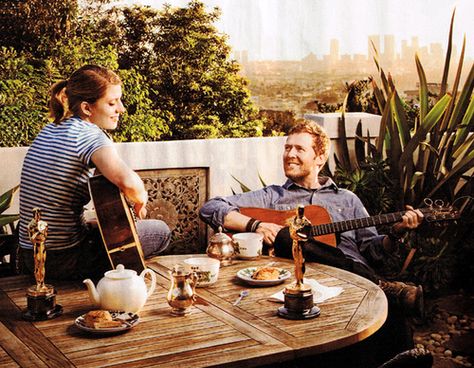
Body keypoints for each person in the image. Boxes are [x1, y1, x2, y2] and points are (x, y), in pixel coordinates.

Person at [199, 119, 424, 315]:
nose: (290, 154)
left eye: (299, 149)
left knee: (397, 327)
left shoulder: (347, 199)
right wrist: (255, 224)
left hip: (353, 278)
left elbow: (372, 252)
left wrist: (395, 233)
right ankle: (382, 286)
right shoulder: (272, 196)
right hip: (299, 280)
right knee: (290, 236)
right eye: (287, 148)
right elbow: (211, 207)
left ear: (320, 158)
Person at [19, 64, 171, 280]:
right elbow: (128, 182)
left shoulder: (51, 129)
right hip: (64, 260)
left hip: (31, 255)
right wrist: (140, 203)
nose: (121, 109)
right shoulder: (89, 135)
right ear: (87, 108)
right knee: (159, 231)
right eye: (112, 103)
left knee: (97, 226)